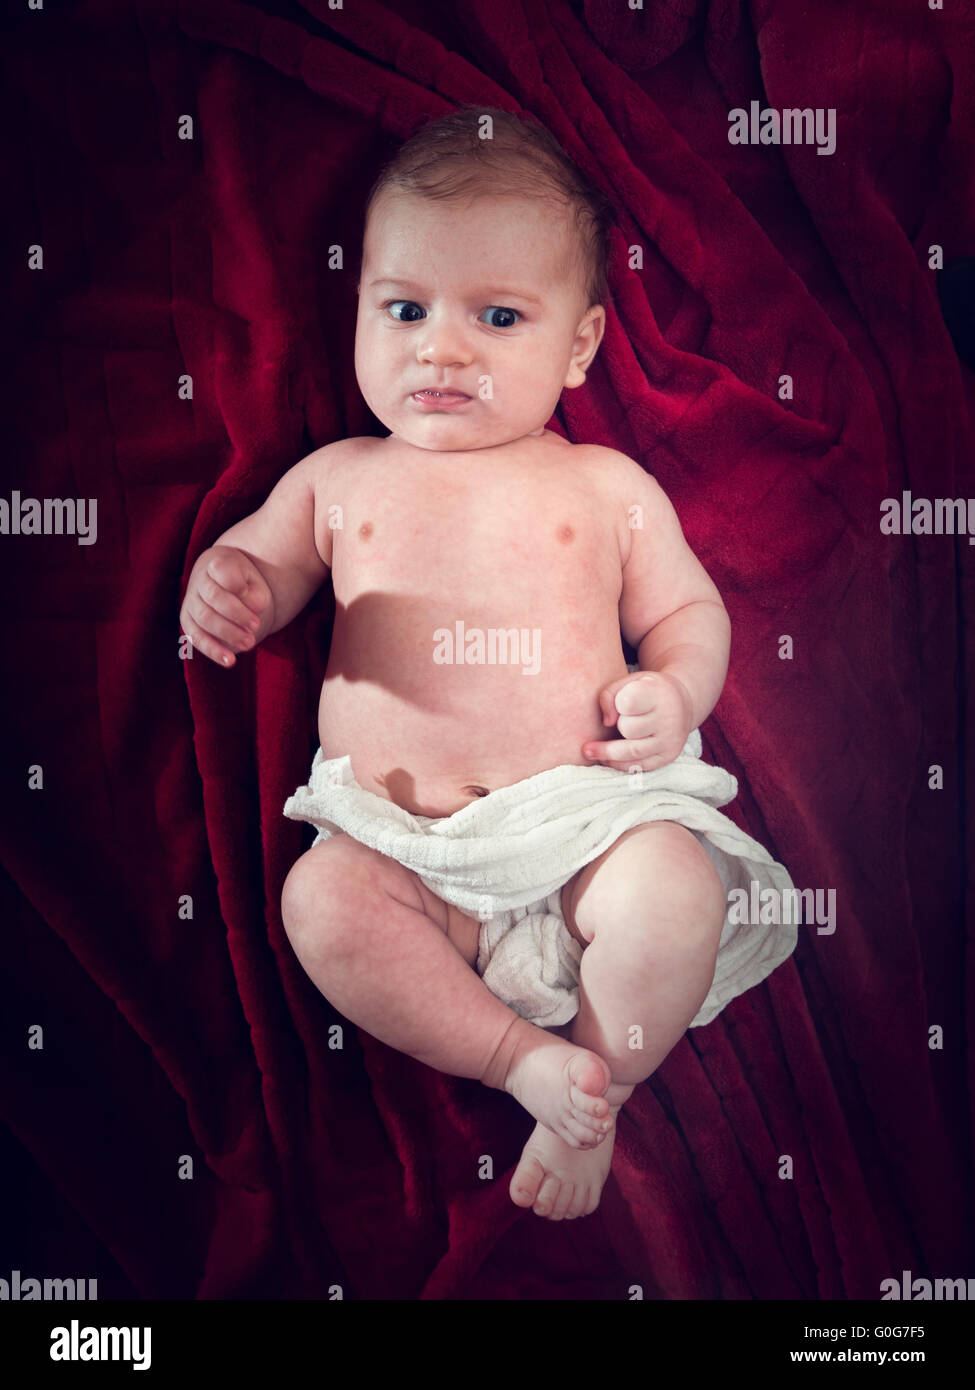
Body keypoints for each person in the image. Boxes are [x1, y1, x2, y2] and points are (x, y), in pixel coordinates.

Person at [179, 107, 796, 1221]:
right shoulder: (340, 477)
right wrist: (231, 587)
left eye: (497, 316)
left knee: (678, 888)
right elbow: (264, 569)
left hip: (583, 835)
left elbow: (690, 613)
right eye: (404, 309)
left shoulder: (602, 487)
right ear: (358, 308)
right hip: (401, 847)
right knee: (321, 904)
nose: (441, 349)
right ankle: (526, 1064)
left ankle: (604, 1072)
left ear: (581, 345)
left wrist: (675, 690)